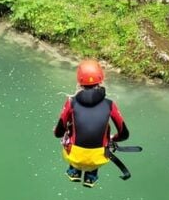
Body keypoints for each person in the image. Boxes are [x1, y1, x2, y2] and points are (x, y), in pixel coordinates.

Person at [53, 59, 129, 188]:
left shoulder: (71, 102)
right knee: (104, 130)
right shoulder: (110, 104)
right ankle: (91, 176)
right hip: (99, 159)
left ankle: (74, 171)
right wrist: (112, 139)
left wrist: (59, 130)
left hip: (74, 156)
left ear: (79, 82)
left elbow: (58, 133)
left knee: (70, 127)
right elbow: (124, 135)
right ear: (101, 81)